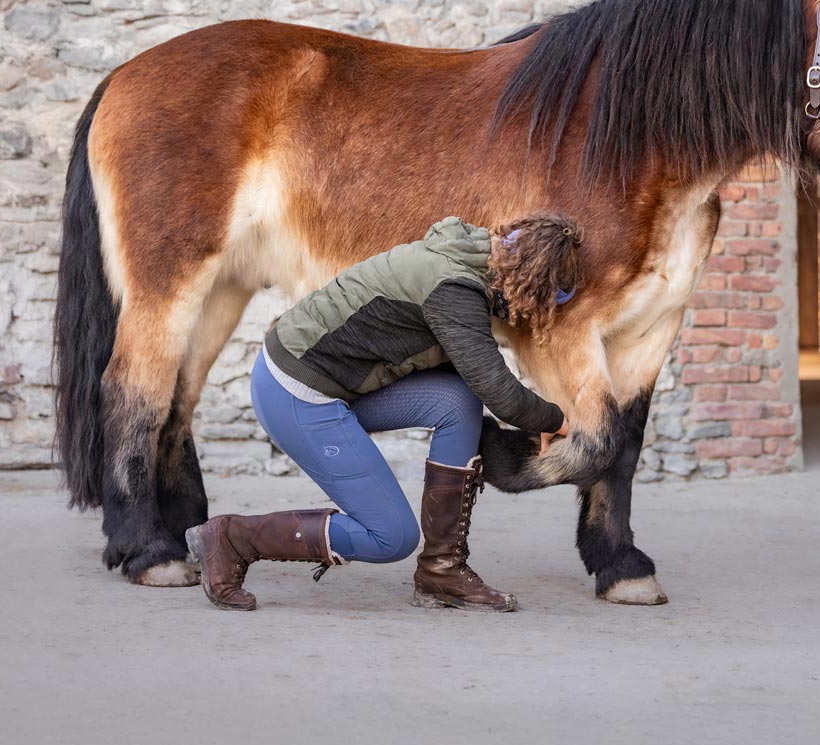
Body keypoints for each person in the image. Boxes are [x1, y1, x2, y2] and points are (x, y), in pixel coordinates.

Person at [185, 213, 577, 614]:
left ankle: (442, 571)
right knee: (391, 536)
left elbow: (470, 376)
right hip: (294, 392)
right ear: (531, 279)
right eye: (550, 299)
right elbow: (499, 391)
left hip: (333, 382)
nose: (538, 312)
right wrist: (557, 421)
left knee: (458, 401)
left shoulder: (464, 260)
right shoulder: (455, 289)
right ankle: (232, 538)